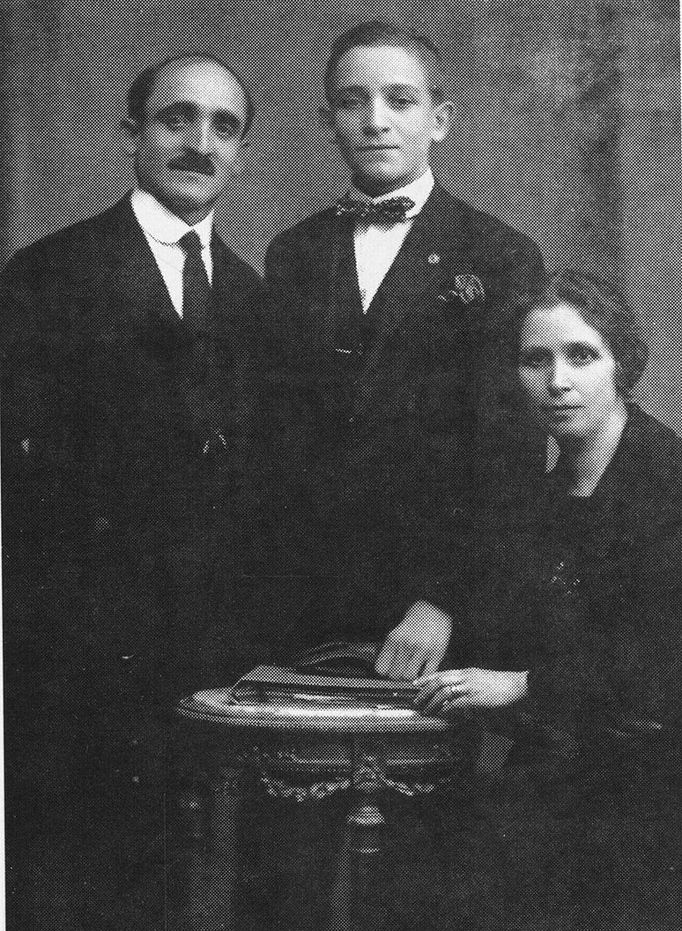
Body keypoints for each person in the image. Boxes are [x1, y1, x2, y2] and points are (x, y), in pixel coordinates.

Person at [1, 54, 270, 929]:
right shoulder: (46, 276)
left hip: (213, 660)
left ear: (242, 154)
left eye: (223, 127)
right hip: (75, 665)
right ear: (130, 134)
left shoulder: (260, 300)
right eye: (176, 119)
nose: (199, 143)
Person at [264, 20, 545, 669]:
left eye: (400, 99)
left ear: (439, 119)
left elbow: (512, 452)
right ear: (326, 121)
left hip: (439, 615)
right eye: (351, 101)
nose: (375, 120)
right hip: (308, 603)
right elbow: (279, 436)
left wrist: (444, 600)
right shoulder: (294, 254)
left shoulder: (500, 255)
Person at [414, 270, 682, 929]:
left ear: (624, 367)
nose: (557, 381)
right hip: (565, 780)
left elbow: (658, 664)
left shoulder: (668, 484)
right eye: (536, 360)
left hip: (656, 791)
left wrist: (522, 683)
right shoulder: (543, 499)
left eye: (581, 355)